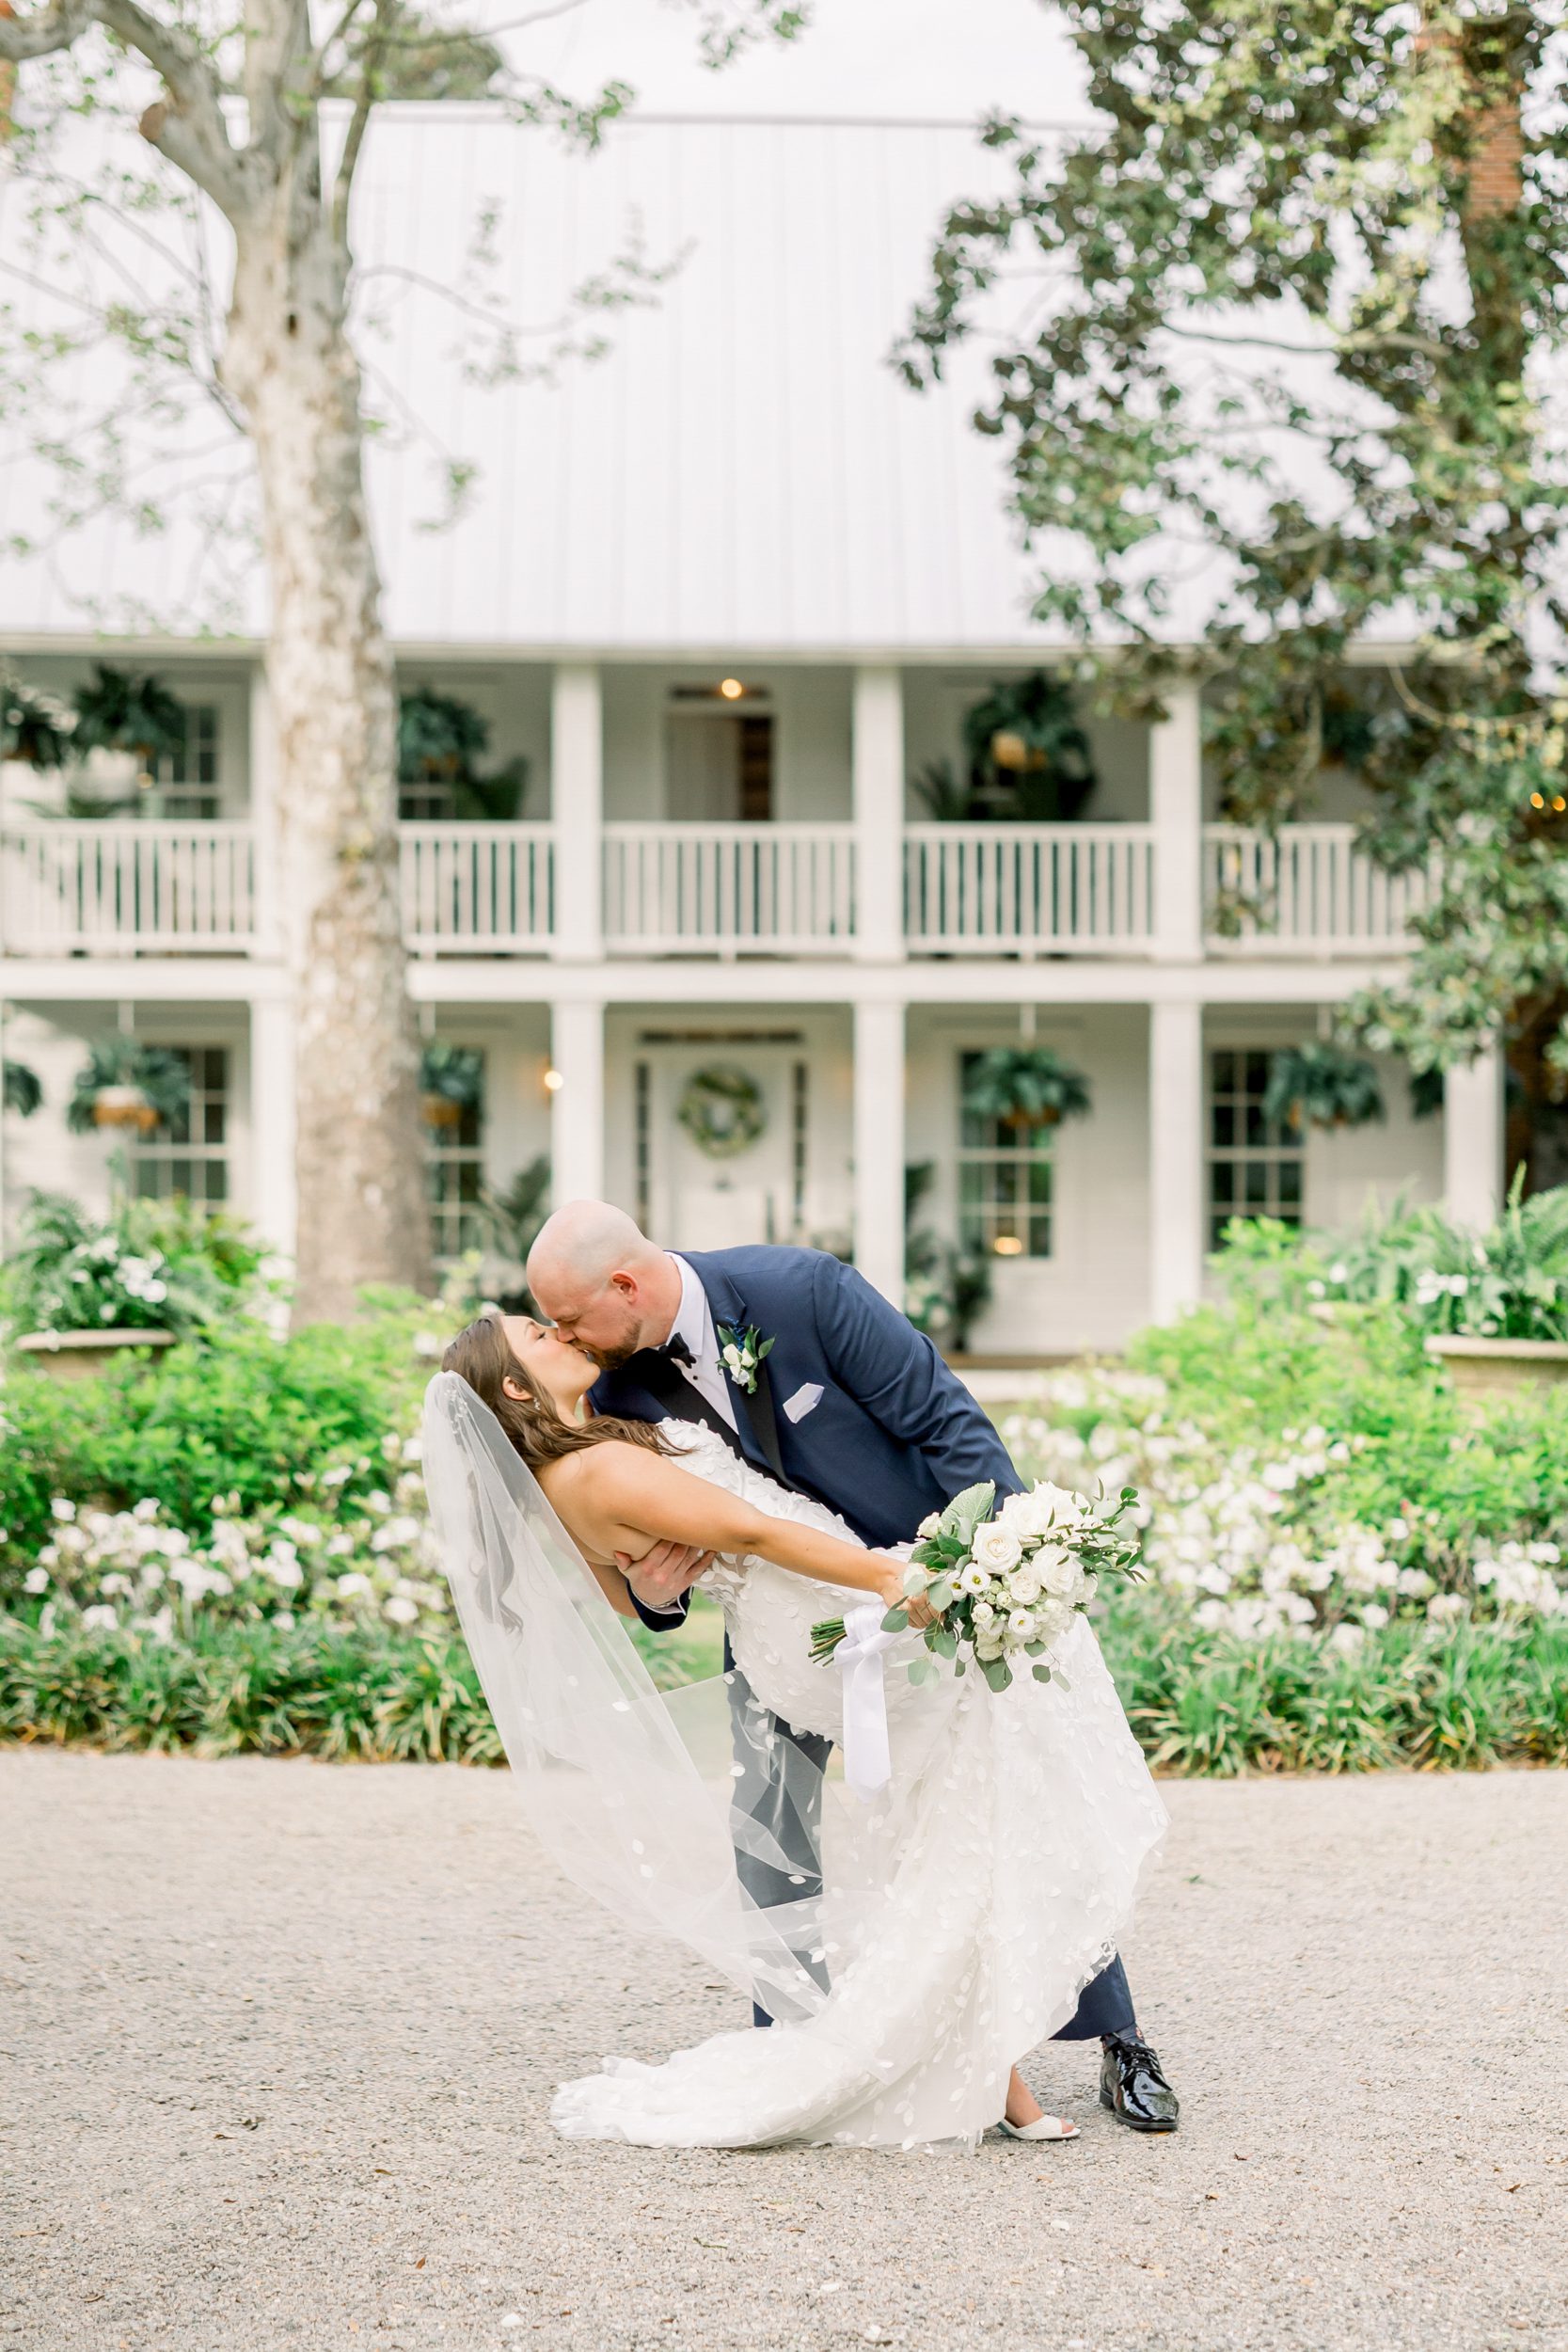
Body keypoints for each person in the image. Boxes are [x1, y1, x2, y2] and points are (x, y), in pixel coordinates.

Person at [427, 1305, 1168, 2151]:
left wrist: (665, 1579)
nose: (558, 1332)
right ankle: (977, 2065)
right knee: (965, 1816)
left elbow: (626, 1593)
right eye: (536, 1336)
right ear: (517, 1387)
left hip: (797, 1631)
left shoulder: (573, 1470)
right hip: (825, 1619)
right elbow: (749, 1529)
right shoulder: (594, 1470)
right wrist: (889, 1576)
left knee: (947, 1828)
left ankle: (997, 2078)